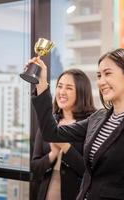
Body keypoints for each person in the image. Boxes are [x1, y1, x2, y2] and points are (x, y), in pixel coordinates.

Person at [29, 48, 124, 200]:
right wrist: (41, 85)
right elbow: (51, 133)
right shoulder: (98, 117)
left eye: (108, 73)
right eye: (99, 75)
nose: (101, 81)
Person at [31, 69, 96, 200]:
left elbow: (90, 172)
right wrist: (52, 155)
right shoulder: (49, 123)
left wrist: (66, 147)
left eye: (69, 88)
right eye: (59, 86)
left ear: (81, 92)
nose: (62, 92)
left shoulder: (91, 124)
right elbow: (35, 168)